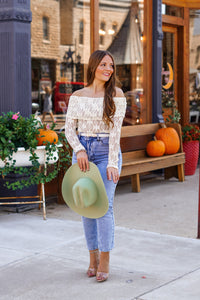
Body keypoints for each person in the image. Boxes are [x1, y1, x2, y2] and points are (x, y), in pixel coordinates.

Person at [65, 50, 126, 282]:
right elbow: (69, 129)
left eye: (111, 65)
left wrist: (112, 162)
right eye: (103, 64)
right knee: (86, 206)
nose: (108, 69)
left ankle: (105, 259)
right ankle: (92, 257)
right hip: (83, 153)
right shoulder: (78, 96)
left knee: (104, 206)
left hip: (105, 153)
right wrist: (79, 149)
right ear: (93, 67)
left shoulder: (117, 95)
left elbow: (115, 132)